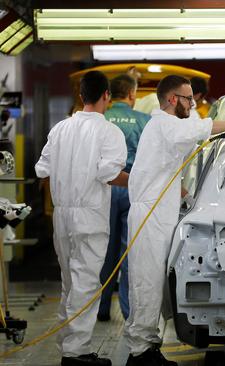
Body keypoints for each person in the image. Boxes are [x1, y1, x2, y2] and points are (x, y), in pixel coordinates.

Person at [124, 75, 225, 366]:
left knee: (157, 288)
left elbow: (167, 170)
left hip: (161, 212)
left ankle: (148, 347)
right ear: (173, 99)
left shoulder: (168, 127)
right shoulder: (164, 123)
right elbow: (200, 128)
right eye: (189, 99)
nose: (194, 103)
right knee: (146, 284)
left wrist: (187, 196)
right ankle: (139, 353)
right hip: (150, 216)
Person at [35, 70, 128, 366]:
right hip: (89, 215)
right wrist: (144, 180)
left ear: (80, 95)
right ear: (107, 96)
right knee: (86, 282)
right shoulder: (109, 132)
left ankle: (69, 345)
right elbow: (110, 174)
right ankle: (76, 352)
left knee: (69, 283)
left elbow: (42, 169)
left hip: (61, 216)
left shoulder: (60, 129)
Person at [97, 74, 151, 323]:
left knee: (103, 251)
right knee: (130, 251)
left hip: (103, 190)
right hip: (133, 189)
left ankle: (101, 308)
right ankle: (130, 312)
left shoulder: (100, 120)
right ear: (131, 94)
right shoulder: (144, 121)